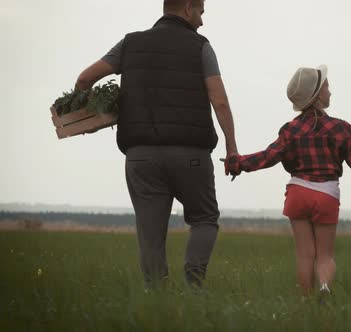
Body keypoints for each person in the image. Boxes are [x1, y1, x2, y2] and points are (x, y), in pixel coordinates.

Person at [74, 0, 238, 287]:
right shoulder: (201, 47)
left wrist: (90, 118)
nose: (201, 22)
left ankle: (158, 300)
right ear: (188, 8)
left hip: (140, 158)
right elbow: (220, 101)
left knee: (150, 236)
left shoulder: (129, 44)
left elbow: (84, 78)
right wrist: (231, 148)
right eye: (200, 13)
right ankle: (194, 285)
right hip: (192, 155)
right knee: (204, 218)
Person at [225, 65, 351, 299]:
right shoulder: (341, 128)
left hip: (297, 193)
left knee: (304, 255)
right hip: (326, 195)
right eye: (327, 87)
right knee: (325, 256)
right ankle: (324, 289)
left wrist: (237, 163)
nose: (330, 92)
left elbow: (268, 156)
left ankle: (305, 301)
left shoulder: (290, 130)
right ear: (317, 94)